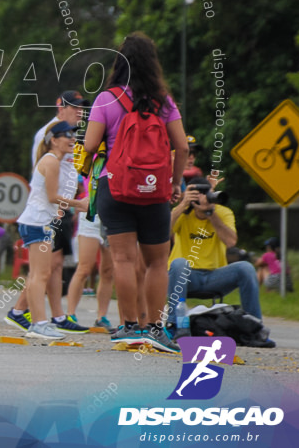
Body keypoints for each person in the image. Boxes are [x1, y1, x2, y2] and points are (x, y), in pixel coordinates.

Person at [83, 31, 188, 353]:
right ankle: (155, 329)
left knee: (123, 260)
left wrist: (90, 166)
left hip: (115, 187)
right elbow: (182, 146)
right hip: (154, 191)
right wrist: (173, 182)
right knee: (158, 263)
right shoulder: (164, 102)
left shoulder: (106, 99)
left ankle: (128, 327)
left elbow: (88, 145)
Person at [5, 121, 86, 340]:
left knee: (39, 274)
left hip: (39, 221)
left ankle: (35, 322)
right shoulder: (51, 162)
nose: (72, 139)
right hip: (36, 222)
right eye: (67, 135)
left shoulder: (53, 161)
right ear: (53, 139)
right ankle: (39, 324)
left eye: (73, 135)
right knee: (40, 275)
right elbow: (51, 197)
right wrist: (80, 204)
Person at [165, 178, 272, 344]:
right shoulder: (183, 213)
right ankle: (176, 326)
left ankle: (254, 328)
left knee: (245, 267)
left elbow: (231, 242)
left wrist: (210, 214)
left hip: (214, 276)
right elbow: (163, 233)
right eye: (197, 194)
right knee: (179, 263)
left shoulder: (222, 212)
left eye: (205, 194)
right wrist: (182, 204)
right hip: (185, 276)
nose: (202, 198)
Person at [28, 90, 90, 331]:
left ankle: (54, 316)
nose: (79, 111)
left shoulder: (70, 134)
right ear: (60, 107)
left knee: (52, 265)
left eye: (82, 108)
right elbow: (42, 173)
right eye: (74, 107)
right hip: (51, 208)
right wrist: (68, 204)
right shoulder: (52, 133)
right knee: (44, 268)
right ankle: (33, 317)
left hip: (60, 207)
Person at [65, 171, 115, 332]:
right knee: (85, 268)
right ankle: (70, 314)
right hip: (91, 213)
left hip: (112, 212)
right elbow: (79, 180)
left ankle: (102, 317)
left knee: (108, 271)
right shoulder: (92, 154)